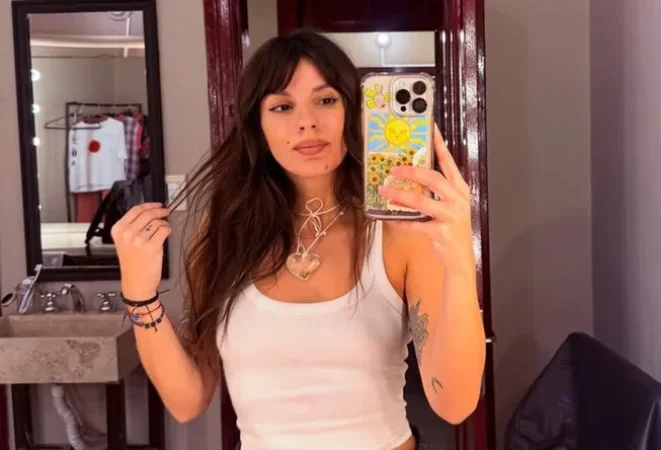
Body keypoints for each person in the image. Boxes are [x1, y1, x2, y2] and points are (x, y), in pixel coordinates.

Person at [111, 30, 486, 450]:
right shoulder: (225, 235)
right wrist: (139, 295)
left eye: (325, 100)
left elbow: (454, 404)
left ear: (353, 112)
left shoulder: (399, 233)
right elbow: (188, 400)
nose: (307, 122)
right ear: (258, 126)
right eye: (282, 106)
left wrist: (459, 258)